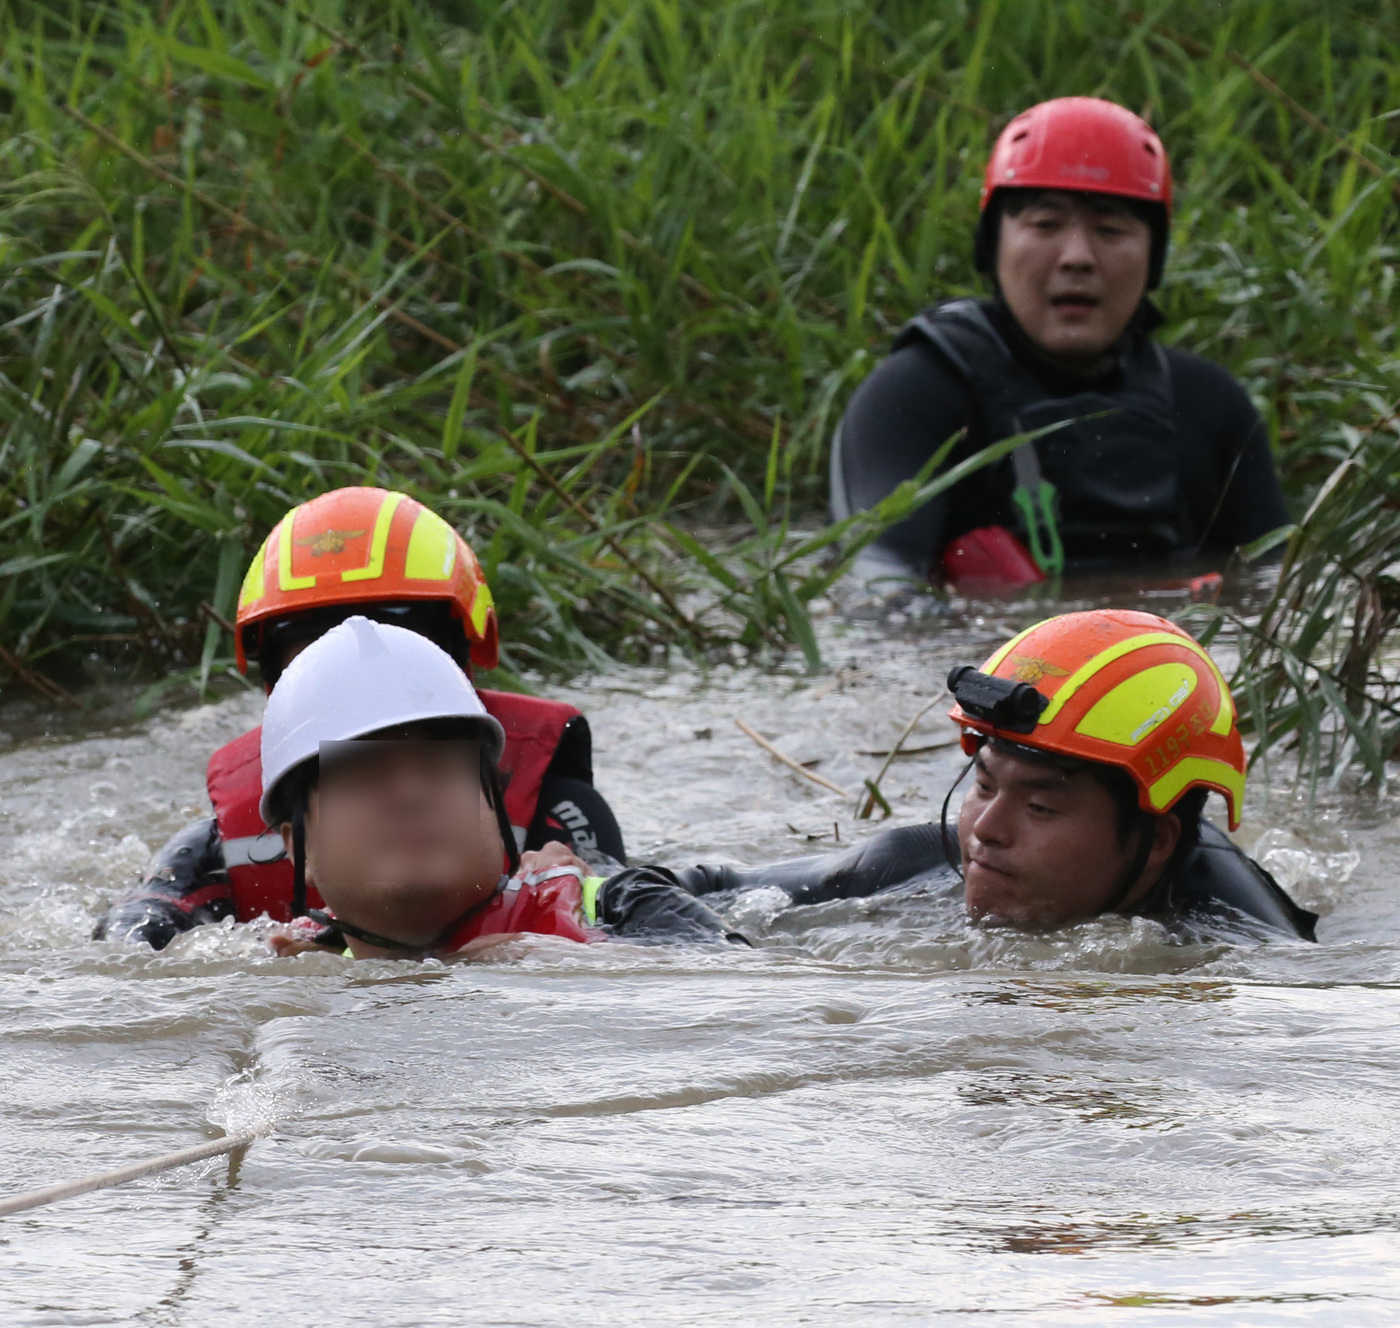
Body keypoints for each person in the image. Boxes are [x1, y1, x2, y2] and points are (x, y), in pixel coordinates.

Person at [95, 487, 626, 949]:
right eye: (317, 657)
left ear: (460, 663)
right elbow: (126, 950)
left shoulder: (556, 807)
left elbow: (631, 906)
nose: (365, 672)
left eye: (404, 644)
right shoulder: (225, 838)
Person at [833, 97, 1290, 594]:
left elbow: (1278, 591)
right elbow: (876, 581)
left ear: (1154, 258)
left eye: (1110, 229)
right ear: (992, 246)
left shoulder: (1209, 404)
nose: (1077, 258)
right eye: (1045, 225)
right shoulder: (914, 394)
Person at [675, 610, 1317, 941]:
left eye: (1040, 808)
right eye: (983, 784)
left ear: (1156, 842)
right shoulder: (915, 859)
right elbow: (702, 884)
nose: (986, 830)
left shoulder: (1235, 945)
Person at [260, 617, 739, 958]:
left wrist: (581, 969)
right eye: (364, 776)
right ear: (297, 845)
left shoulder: (622, 909)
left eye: (441, 768)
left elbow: (761, 999)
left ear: (495, 808)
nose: (411, 793)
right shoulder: (302, 972)